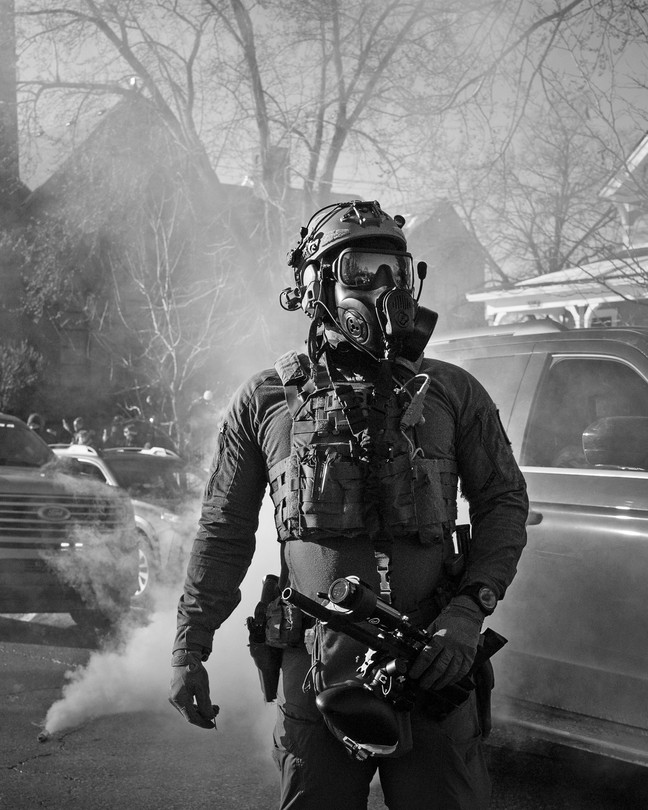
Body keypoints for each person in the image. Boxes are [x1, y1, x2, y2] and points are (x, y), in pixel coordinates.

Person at [169, 200, 528, 810]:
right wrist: (189, 645)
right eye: (361, 272)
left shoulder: (453, 393)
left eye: (393, 271)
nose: (382, 291)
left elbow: (502, 502)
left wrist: (469, 613)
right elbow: (224, 530)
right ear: (317, 285)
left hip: (435, 668)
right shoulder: (266, 401)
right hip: (315, 675)